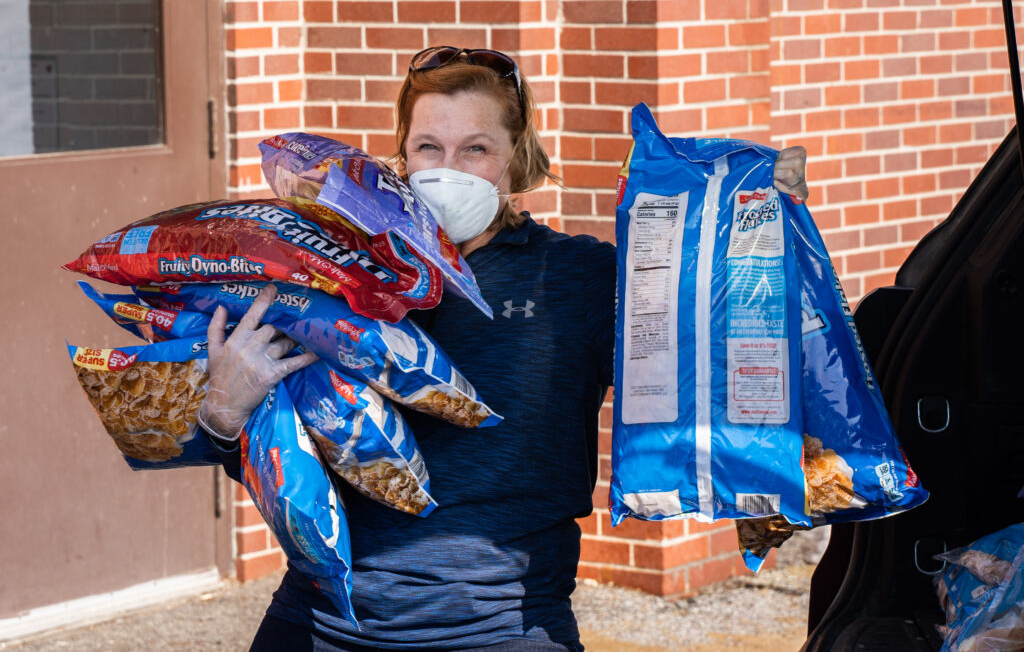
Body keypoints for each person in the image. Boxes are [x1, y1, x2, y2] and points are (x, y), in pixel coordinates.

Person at [198, 46, 809, 651]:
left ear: (517, 163)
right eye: (429, 148)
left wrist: (763, 221)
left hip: (502, 628)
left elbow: (727, 360)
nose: (449, 170)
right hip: (322, 624)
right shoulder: (336, 277)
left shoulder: (579, 280)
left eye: (476, 150)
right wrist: (224, 418)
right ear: (402, 157)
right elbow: (272, 457)